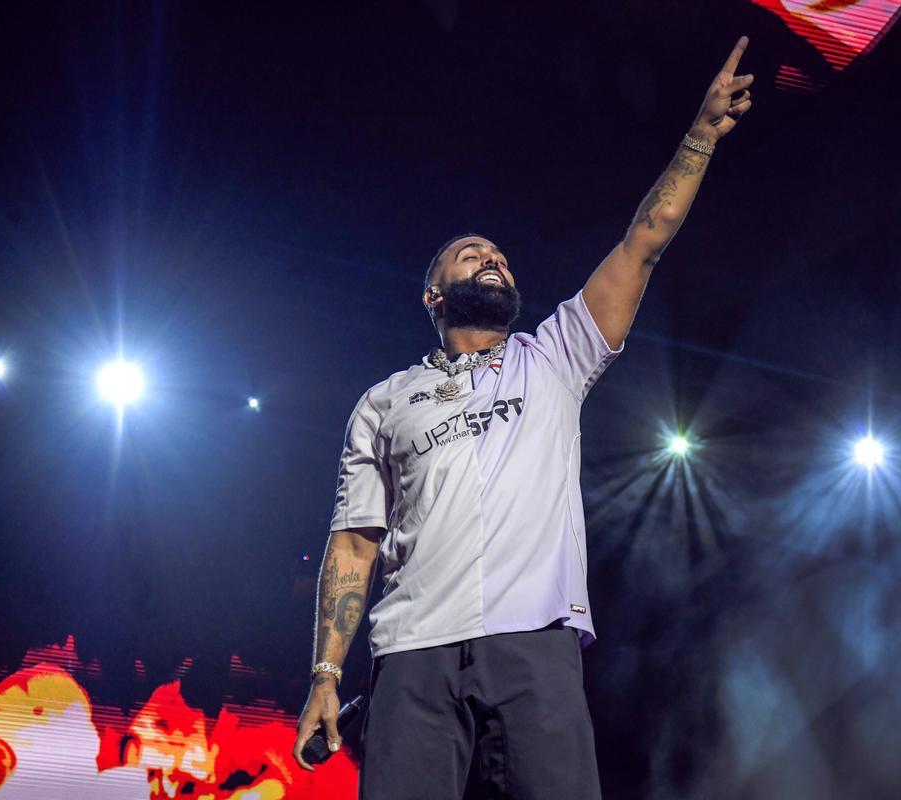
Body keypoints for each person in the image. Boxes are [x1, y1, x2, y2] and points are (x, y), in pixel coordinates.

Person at [293, 35, 755, 799]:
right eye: (471, 255)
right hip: (413, 651)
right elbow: (352, 544)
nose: (492, 259)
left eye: (501, 256)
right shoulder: (383, 402)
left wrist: (700, 132)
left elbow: (644, 241)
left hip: (534, 644)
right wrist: (324, 676)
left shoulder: (555, 355)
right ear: (433, 296)